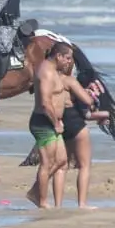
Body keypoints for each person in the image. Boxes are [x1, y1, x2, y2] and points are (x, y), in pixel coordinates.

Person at [25, 43, 84, 209]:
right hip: (44, 123)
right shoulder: (46, 71)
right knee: (47, 163)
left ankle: (35, 191)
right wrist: (56, 122)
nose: (69, 62)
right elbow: (45, 103)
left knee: (61, 160)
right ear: (58, 56)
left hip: (53, 122)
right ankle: (41, 201)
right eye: (67, 58)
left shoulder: (55, 72)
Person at [55, 72, 111, 209]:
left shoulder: (59, 85)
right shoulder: (79, 90)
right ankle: (82, 204)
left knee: (61, 167)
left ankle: (57, 205)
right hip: (77, 126)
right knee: (84, 166)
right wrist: (105, 114)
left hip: (62, 124)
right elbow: (86, 114)